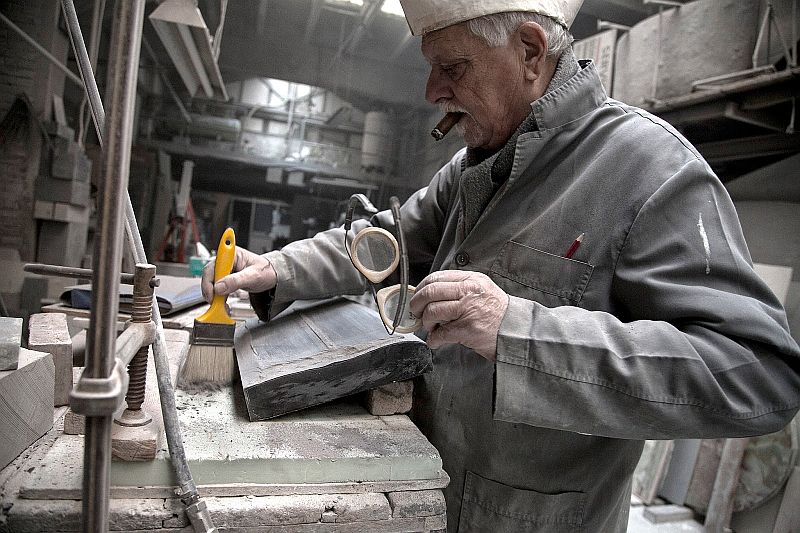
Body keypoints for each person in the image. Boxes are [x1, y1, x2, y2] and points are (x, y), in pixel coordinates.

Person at [202, 1, 800, 530]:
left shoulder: (649, 170)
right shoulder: (473, 169)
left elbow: (756, 374)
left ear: (530, 53)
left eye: (453, 67)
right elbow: (386, 241)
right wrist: (277, 269)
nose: (431, 91)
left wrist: (517, 328)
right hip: (426, 490)